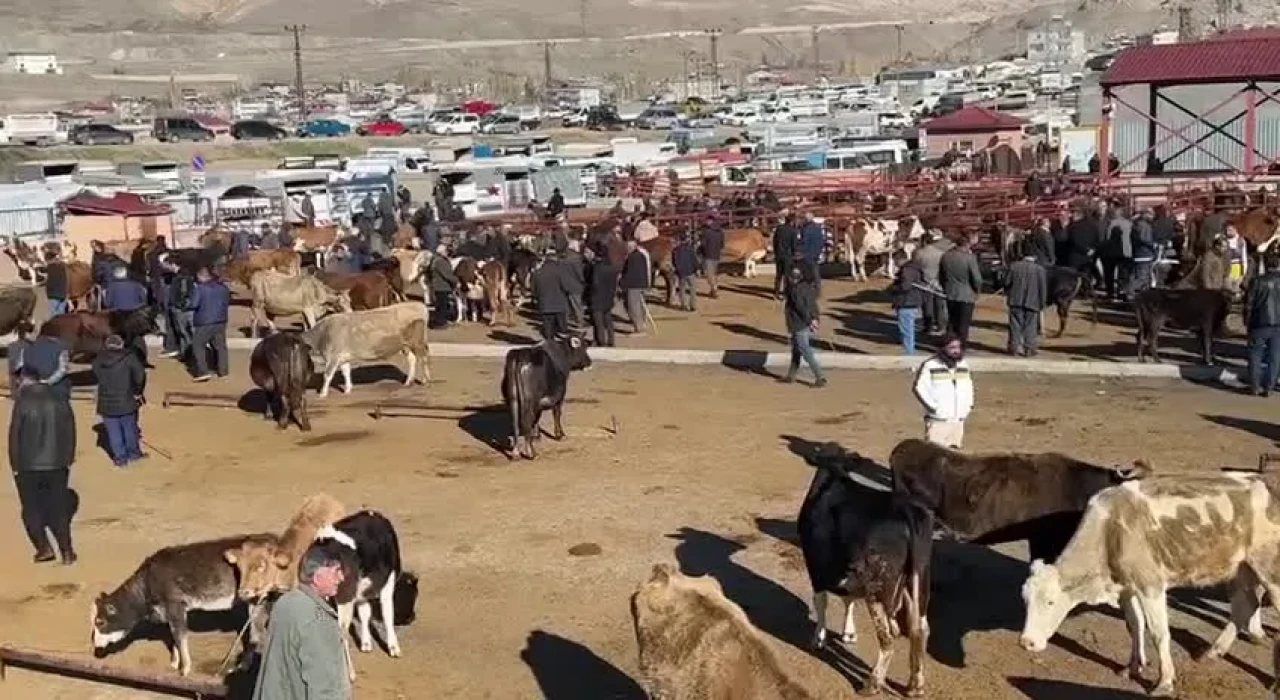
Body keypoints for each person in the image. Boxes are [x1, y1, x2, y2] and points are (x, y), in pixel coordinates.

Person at [251, 540, 351, 700]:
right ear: (318, 576)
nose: (341, 577)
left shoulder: (285, 603)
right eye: (336, 571)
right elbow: (325, 686)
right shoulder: (318, 620)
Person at [8, 365, 77, 565]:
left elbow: (15, 437)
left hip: (28, 465)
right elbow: (70, 430)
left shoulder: (22, 402)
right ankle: (67, 551)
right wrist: (68, 457)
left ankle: (44, 548)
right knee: (58, 509)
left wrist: (14, 463)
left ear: (25, 380)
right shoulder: (60, 398)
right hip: (57, 463)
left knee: (31, 509)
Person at [93, 335, 146, 467]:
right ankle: (133, 454)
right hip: (126, 398)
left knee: (113, 432)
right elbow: (140, 375)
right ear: (121, 344)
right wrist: (138, 392)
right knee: (129, 428)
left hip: (106, 401)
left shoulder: (98, 359)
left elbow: (96, 374)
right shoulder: (129, 357)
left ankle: (120, 459)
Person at [912, 334, 974, 449]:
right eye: (952, 348)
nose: (956, 351)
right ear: (943, 348)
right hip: (938, 421)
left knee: (955, 455)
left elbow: (969, 387)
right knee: (934, 456)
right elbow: (918, 388)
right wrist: (934, 408)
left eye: (958, 347)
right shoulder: (930, 365)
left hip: (958, 420)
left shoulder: (963, 365)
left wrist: (968, 406)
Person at [781, 258, 826, 387]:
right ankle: (791, 375)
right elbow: (813, 305)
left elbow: (800, 307)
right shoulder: (808, 288)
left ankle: (820, 377)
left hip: (798, 323)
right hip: (804, 322)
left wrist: (810, 320)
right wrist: (815, 319)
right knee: (796, 349)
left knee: (804, 350)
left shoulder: (795, 290)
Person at [1245, 250, 1280, 396]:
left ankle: (1255, 386)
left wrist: (1246, 322)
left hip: (1258, 322)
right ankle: (1269, 387)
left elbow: (1249, 304)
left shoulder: (1257, 281)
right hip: (1278, 323)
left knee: (1255, 355)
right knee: (1275, 356)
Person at [1005, 243, 1049, 356]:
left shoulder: (1014, 266)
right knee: (1030, 326)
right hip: (1032, 301)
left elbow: (1006, 283)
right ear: (1034, 256)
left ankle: (1013, 347)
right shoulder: (1039, 270)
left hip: (1015, 300)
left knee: (1015, 325)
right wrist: (1042, 303)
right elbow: (1042, 288)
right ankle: (1029, 348)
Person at [189, 267, 231, 382]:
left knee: (198, 345)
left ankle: (203, 371)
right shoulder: (223, 288)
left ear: (201, 276)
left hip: (204, 321)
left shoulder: (200, 289)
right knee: (220, 346)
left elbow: (193, 304)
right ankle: (223, 370)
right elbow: (227, 301)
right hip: (221, 320)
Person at [939, 234, 983, 342]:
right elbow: (977, 279)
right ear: (967, 244)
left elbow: (941, 275)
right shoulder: (969, 258)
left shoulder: (946, 256)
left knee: (952, 321)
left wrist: (945, 287)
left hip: (950, 292)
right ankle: (961, 345)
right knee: (963, 323)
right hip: (966, 295)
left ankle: (949, 342)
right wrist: (977, 290)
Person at [913, 231, 951, 334]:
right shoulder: (940, 254)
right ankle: (941, 326)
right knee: (939, 306)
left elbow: (915, 267)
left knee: (927, 306)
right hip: (937, 282)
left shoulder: (918, 253)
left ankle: (928, 327)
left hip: (924, 283)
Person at [532, 250, 573, 340]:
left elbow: (533, 292)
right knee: (562, 330)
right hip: (560, 305)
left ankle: (550, 347)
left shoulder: (537, 273)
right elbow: (567, 288)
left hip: (545, 306)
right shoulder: (561, 272)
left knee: (548, 330)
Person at [890, 249, 924, 355]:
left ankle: (910, 355)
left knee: (906, 331)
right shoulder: (913, 267)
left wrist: (893, 288)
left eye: (895, 261)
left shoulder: (907, 270)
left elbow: (905, 286)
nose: (894, 264)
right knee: (908, 330)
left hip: (906, 302)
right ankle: (910, 353)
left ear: (899, 259)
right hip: (911, 301)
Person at [587, 241, 619, 347]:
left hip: (597, 297)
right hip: (608, 295)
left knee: (598, 322)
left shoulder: (597, 268)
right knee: (608, 319)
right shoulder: (612, 267)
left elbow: (594, 283)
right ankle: (611, 339)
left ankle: (600, 341)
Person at [163, 262, 196, 360]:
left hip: (178, 309)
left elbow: (172, 297)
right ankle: (194, 352)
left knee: (182, 333)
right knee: (192, 332)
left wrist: (175, 306)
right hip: (190, 309)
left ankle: (185, 352)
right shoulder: (192, 281)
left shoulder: (175, 281)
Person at [620, 238, 651, 336]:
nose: (627, 248)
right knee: (640, 305)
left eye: (628, 247)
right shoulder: (641, 255)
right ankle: (642, 323)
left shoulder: (632, 258)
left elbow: (629, 273)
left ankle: (639, 329)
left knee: (634, 307)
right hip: (642, 283)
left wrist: (622, 283)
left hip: (633, 285)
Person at [427, 245, 458, 329]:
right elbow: (447, 275)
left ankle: (439, 321)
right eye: (445, 251)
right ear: (442, 252)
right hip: (442, 286)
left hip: (439, 286)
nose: (447, 252)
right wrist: (456, 280)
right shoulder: (440, 262)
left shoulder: (436, 260)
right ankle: (440, 323)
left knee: (440, 305)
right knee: (442, 306)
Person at [772, 213, 798, 298]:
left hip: (779, 254)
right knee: (787, 276)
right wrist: (794, 255)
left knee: (778, 275)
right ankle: (785, 293)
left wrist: (776, 252)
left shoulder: (779, 229)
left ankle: (776, 292)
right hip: (788, 256)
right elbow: (794, 245)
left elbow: (775, 242)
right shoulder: (793, 231)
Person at [672, 232, 699, 312]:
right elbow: (694, 260)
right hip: (690, 271)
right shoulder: (690, 249)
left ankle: (683, 305)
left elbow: (675, 262)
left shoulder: (676, 250)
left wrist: (678, 270)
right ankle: (692, 305)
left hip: (681, 273)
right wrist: (696, 269)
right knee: (693, 289)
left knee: (682, 289)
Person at [700, 219, 724, 299]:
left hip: (708, 255)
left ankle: (714, 289)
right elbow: (722, 245)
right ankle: (714, 288)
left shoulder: (706, 233)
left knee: (710, 274)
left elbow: (703, 244)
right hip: (716, 255)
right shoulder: (720, 232)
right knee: (714, 273)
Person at [1224, 225, 1250, 298]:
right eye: (1227, 230)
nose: (1228, 232)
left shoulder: (1241, 241)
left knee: (1236, 287)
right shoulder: (1223, 240)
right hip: (1227, 268)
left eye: (1230, 230)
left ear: (1235, 230)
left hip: (1237, 268)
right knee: (1227, 288)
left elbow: (1244, 256)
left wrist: (1244, 271)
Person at [44, 251, 69, 317]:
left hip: (53, 295)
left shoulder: (48, 268)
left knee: (54, 316)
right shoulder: (63, 267)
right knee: (62, 315)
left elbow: (45, 281)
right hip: (64, 295)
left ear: (47, 260)